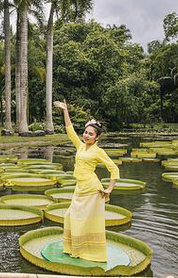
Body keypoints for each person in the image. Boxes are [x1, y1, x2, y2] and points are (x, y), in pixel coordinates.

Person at [54, 100, 119, 262]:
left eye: (91, 134)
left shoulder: (98, 151)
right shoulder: (81, 146)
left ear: (97, 137)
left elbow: (114, 169)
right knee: (70, 216)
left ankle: (89, 251)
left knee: (80, 219)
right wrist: (65, 110)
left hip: (92, 190)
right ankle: (73, 248)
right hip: (80, 188)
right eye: (86, 132)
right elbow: (70, 131)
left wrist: (109, 189)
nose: (86, 135)